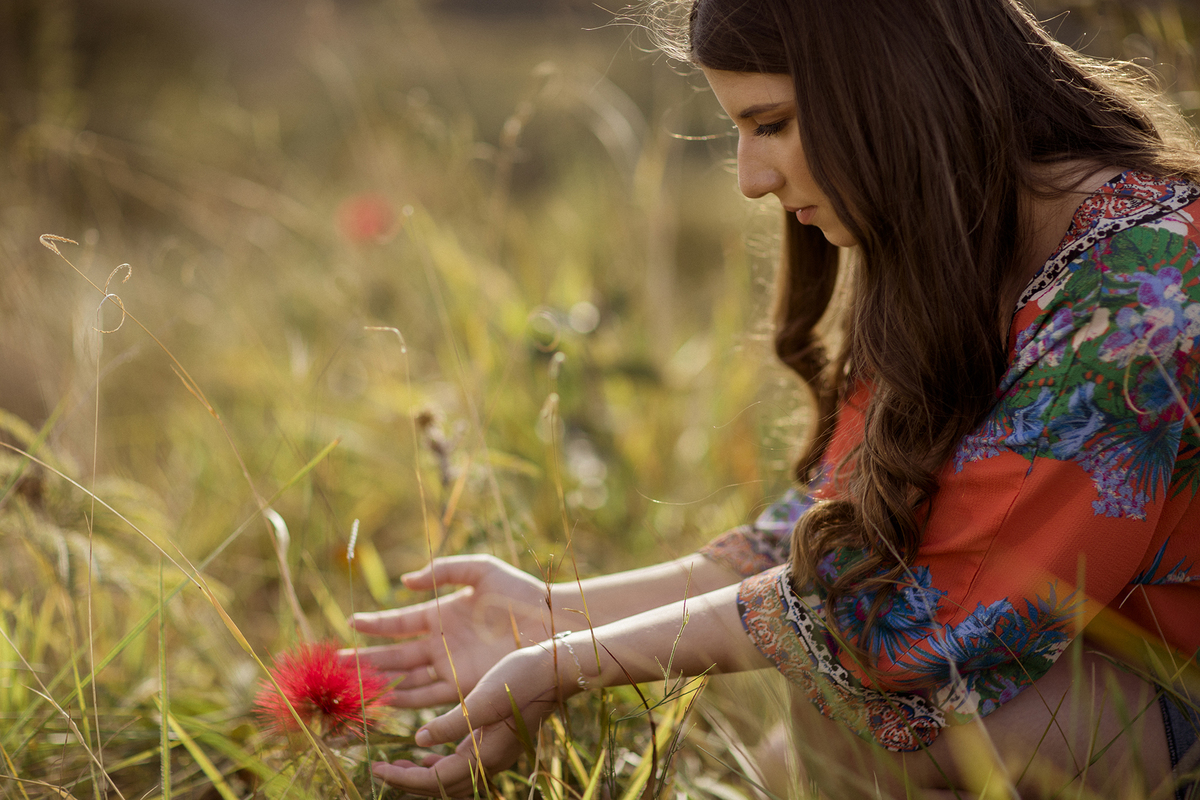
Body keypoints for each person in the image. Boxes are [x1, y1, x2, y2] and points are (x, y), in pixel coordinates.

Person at [341, 0, 1200, 796]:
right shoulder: (977, 246)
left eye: (774, 124)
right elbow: (850, 525)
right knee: (789, 761)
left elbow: (916, 612)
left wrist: (569, 659)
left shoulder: (1143, 285)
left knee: (852, 723)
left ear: (895, 88)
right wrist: (549, 615)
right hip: (1123, 674)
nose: (751, 178)